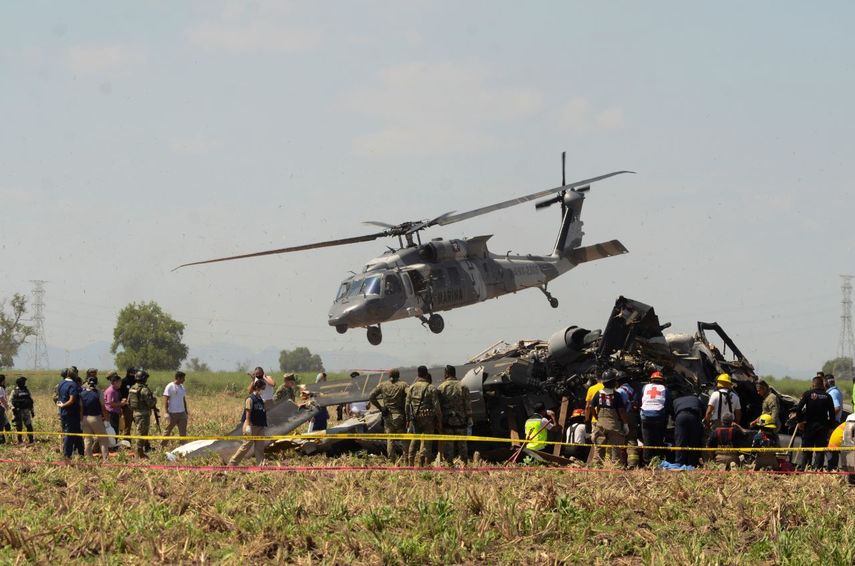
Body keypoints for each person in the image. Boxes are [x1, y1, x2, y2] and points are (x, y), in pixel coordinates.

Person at [793, 374, 836, 470]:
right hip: (822, 427)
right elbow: (832, 413)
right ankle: (818, 470)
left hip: (809, 426)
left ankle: (805, 468)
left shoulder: (807, 394)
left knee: (807, 449)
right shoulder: (827, 396)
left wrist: (799, 421)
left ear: (813, 384)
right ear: (822, 385)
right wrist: (830, 427)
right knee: (820, 450)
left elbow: (798, 408)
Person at [589, 370, 629, 466]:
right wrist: (625, 424)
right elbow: (621, 411)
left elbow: (591, 407)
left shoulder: (598, 394)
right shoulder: (616, 395)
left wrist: (596, 417)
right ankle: (616, 469)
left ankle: (596, 468)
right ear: (614, 382)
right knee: (616, 449)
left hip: (600, 424)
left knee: (599, 449)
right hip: (614, 425)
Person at [368, 368, 409, 461]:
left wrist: (381, 408)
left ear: (389, 375)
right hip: (399, 415)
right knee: (404, 439)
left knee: (390, 439)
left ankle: (391, 460)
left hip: (387, 416)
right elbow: (410, 394)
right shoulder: (403, 385)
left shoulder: (382, 385)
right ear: (398, 375)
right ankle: (406, 459)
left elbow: (371, 396)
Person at [406, 365, 442, 467]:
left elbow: (407, 404)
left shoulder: (411, 387)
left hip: (415, 418)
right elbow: (436, 406)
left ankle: (411, 462)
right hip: (428, 418)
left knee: (414, 439)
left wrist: (408, 418)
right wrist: (439, 419)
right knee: (427, 440)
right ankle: (424, 462)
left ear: (418, 374)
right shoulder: (431, 388)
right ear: (426, 374)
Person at [436, 365, 472, 463]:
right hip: (461, 421)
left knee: (449, 445)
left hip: (447, 421)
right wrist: (469, 418)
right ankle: (464, 463)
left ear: (446, 374)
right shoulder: (463, 386)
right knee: (463, 444)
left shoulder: (441, 387)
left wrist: (439, 420)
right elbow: (467, 404)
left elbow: (438, 406)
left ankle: (449, 464)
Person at [228, 378, 268, 466]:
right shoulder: (250, 399)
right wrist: (248, 426)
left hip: (260, 427)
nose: (263, 391)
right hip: (251, 426)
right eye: (263, 388)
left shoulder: (260, 399)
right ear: (257, 388)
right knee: (245, 447)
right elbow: (248, 413)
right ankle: (232, 464)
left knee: (260, 448)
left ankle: (261, 465)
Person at [640, 370, 672, 465]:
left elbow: (642, 399)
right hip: (659, 416)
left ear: (651, 380)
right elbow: (668, 403)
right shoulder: (664, 389)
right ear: (662, 380)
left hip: (645, 416)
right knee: (658, 439)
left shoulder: (645, 387)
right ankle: (658, 461)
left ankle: (647, 462)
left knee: (647, 440)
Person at [79, 375, 110, 461]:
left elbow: (80, 408)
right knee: (103, 439)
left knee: (87, 440)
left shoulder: (82, 394)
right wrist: (107, 420)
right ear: (96, 383)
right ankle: (105, 459)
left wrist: (81, 421)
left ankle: (89, 459)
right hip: (95, 418)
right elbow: (103, 407)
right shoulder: (99, 392)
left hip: (85, 418)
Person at [56, 368, 84, 460]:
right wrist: (64, 405)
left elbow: (58, 397)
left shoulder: (61, 383)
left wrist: (61, 406)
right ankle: (67, 455)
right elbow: (72, 400)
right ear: (75, 375)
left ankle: (80, 452)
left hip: (63, 413)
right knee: (70, 434)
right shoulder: (73, 385)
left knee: (76, 433)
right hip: (72, 413)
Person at [127, 370, 157, 458]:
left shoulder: (132, 388)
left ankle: (139, 452)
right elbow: (151, 403)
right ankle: (139, 453)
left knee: (140, 432)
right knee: (142, 434)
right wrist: (155, 400)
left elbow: (128, 403)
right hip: (143, 415)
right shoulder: (144, 390)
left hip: (135, 413)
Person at [616, 371, 641, 467]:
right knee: (631, 440)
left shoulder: (619, 391)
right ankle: (633, 464)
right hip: (632, 416)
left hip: (622, 417)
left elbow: (619, 407)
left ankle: (620, 464)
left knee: (619, 439)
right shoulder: (632, 390)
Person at [672, 393, 704, 467]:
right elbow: (703, 411)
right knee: (694, 440)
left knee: (680, 440)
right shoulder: (696, 399)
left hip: (681, 416)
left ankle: (679, 463)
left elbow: (672, 414)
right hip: (693, 416)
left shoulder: (675, 400)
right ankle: (692, 463)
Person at [162, 371, 189, 446]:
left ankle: (183, 446)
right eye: (183, 378)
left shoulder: (182, 387)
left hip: (182, 413)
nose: (184, 380)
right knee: (168, 430)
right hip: (172, 413)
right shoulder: (170, 386)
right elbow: (165, 399)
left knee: (183, 432)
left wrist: (186, 412)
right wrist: (166, 412)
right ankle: (163, 446)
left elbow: (183, 399)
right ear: (178, 378)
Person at [10, 376, 35, 444]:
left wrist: (32, 411)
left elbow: (30, 401)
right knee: (19, 426)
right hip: (18, 411)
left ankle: (31, 439)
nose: (24, 383)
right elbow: (10, 401)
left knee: (29, 425)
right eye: (23, 382)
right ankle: (19, 440)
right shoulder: (14, 391)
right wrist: (13, 408)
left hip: (26, 411)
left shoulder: (27, 390)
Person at [119, 368, 137, 438]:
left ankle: (144, 444)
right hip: (127, 407)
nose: (133, 374)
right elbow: (120, 394)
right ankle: (127, 444)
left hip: (137, 407)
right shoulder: (124, 381)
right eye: (132, 372)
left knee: (140, 427)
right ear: (128, 373)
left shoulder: (136, 382)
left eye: (134, 372)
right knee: (127, 427)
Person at [0, 375, 9, 444]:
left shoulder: (2, 388)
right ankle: (2, 440)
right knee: (1, 425)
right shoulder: (0, 388)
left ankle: (5, 439)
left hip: (2, 409)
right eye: (4, 380)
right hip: (1, 408)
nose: (5, 381)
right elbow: (2, 398)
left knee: (6, 424)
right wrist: (7, 406)